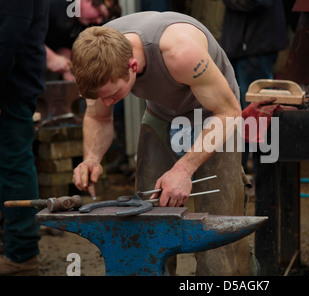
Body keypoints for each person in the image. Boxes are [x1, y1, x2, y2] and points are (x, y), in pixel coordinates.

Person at [71, 11, 249, 275]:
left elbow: (229, 112)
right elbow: (97, 116)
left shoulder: (180, 51)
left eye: (113, 95)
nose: (107, 103)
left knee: (218, 228)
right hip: (162, 112)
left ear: (132, 66)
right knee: (145, 216)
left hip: (216, 113)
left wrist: (183, 169)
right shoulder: (98, 55)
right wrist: (92, 158)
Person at [0, 0, 50, 276]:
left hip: (11, 89)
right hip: (12, 84)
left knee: (13, 166)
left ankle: (21, 254)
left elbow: (9, 35)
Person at [220, 0, 288, 173]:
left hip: (255, 47)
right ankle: (241, 172)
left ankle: (262, 177)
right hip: (240, 46)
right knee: (238, 111)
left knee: (257, 113)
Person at [45, 0, 122, 81]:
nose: (98, 21)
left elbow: (64, 43)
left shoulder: (85, 22)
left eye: (102, 18)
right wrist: (51, 58)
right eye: (100, 14)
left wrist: (66, 71)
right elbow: (31, 35)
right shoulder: (54, 4)